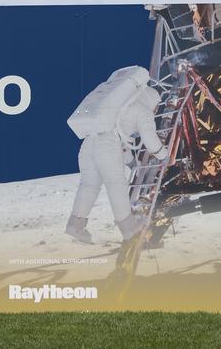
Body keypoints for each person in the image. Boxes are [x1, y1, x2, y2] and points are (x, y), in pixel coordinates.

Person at [66, 66, 169, 243]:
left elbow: (123, 145)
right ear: (153, 101)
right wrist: (164, 156)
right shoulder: (143, 110)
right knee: (116, 185)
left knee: (89, 185)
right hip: (107, 144)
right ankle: (128, 227)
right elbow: (150, 140)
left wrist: (131, 163)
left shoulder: (122, 106)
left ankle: (75, 224)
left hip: (89, 144)